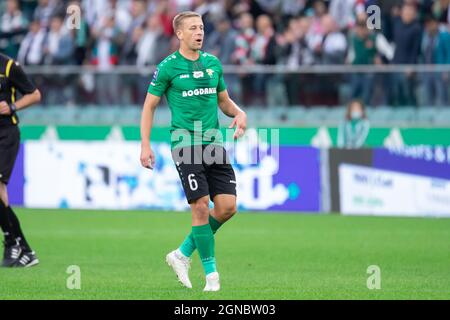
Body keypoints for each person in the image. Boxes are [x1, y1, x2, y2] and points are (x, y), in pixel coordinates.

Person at [140, 11, 247, 291]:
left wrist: (238, 112)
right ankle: (212, 277)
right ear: (179, 34)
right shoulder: (167, 67)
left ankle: (182, 254)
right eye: (192, 28)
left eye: (201, 27)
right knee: (200, 206)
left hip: (213, 143)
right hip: (185, 144)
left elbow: (223, 102)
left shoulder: (213, 64)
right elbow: (149, 106)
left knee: (227, 208)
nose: (199, 32)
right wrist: (145, 145)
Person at [0, 53, 41, 267]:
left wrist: (13, 106)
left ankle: (12, 242)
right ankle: (23, 248)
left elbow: (34, 94)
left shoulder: (8, 66)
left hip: (5, 134)